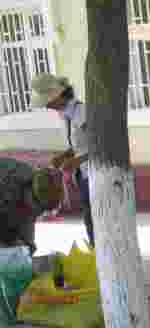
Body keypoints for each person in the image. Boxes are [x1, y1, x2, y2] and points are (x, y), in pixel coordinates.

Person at [30, 74, 94, 248]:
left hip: (96, 174)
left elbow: (103, 145)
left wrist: (77, 161)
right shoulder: (65, 115)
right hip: (83, 175)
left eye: (48, 102)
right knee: (89, 219)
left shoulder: (81, 112)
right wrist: (65, 155)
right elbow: (80, 144)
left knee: (96, 220)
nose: (47, 107)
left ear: (58, 96)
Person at [0, 157, 64, 254]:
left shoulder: (33, 194)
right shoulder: (8, 182)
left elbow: (26, 224)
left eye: (42, 209)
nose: (38, 211)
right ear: (29, 190)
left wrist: (27, 247)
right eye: (37, 206)